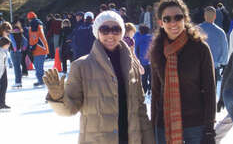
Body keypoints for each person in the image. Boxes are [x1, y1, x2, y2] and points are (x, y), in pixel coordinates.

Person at [43, 10, 154, 144]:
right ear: (97, 32)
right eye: (105, 29)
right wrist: (58, 97)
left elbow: (140, 110)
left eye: (116, 29)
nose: (111, 34)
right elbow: (70, 109)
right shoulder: (81, 66)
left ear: (122, 32)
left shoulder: (133, 66)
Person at [150, 0, 216, 144]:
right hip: (164, 127)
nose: (173, 23)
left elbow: (210, 91)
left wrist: (209, 129)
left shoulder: (200, 48)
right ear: (161, 23)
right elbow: (155, 93)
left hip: (195, 127)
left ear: (185, 19)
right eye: (167, 19)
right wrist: (151, 130)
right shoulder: (158, 51)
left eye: (178, 17)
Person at [199, 6, 228, 85]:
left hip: (198, 67)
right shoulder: (220, 32)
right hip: (213, 67)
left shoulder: (196, 30)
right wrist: (223, 63)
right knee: (211, 92)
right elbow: (225, 51)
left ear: (204, 16)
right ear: (215, 16)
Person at [27, 11, 49, 87]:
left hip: (39, 48)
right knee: (39, 66)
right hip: (42, 48)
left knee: (38, 66)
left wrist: (31, 47)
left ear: (29, 19)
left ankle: (42, 81)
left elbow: (34, 37)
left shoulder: (34, 25)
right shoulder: (39, 23)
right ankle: (41, 80)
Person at [134, 24, 152, 95]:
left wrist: (138, 60)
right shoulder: (152, 38)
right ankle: (150, 90)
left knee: (144, 77)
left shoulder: (138, 38)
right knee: (151, 77)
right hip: (151, 61)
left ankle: (144, 91)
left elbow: (136, 51)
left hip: (142, 61)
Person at [0, 36, 11, 110]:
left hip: (3, 70)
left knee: (4, 86)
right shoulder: (1, 52)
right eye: (8, 44)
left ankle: (2, 103)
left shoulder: (4, 51)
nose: (9, 46)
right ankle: (1, 103)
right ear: (4, 44)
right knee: (3, 87)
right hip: (1, 70)